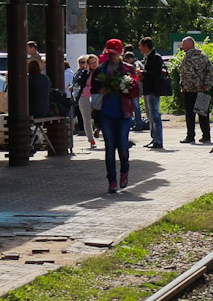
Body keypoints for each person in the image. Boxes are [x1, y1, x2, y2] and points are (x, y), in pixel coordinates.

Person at [91, 38, 140, 192]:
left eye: (114, 53)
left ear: (120, 53)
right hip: (106, 113)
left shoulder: (128, 69)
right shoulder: (100, 70)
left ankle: (124, 171)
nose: (111, 56)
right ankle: (112, 180)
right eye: (109, 53)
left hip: (123, 114)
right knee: (110, 147)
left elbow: (136, 90)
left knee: (123, 146)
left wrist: (126, 87)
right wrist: (101, 91)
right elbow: (93, 89)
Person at [177, 35, 213, 145]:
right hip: (203, 90)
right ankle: (206, 136)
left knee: (190, 115)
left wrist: (198, 85)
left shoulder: (187, 58)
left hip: (190, 90)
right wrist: (206, 84)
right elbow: (210, 70)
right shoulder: (203, 56)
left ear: (188, 45)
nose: (182, 46)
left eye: (183, 44)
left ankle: (190, 136)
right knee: (203, 114)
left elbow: (189, 74)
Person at [139, 37, 167, 149]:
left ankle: (158, 140)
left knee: (155, 116)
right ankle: (154, 138)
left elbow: (155, 73)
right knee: (150, 116)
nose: (139, 48)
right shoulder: (147, 57)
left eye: (141, 46)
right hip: (147, 89)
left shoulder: (156, 57)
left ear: (146, 46)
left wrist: (143, 73)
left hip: (153, 90)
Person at [71, 56, 95, 148]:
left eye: (95, 62)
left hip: (97, 96)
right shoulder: (84, 73)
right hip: (85, 96)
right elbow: (78, 82)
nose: (94, 64)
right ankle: (91, 139)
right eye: (91, 63)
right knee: (87, 119)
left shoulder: (100, 72)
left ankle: (99, 131)